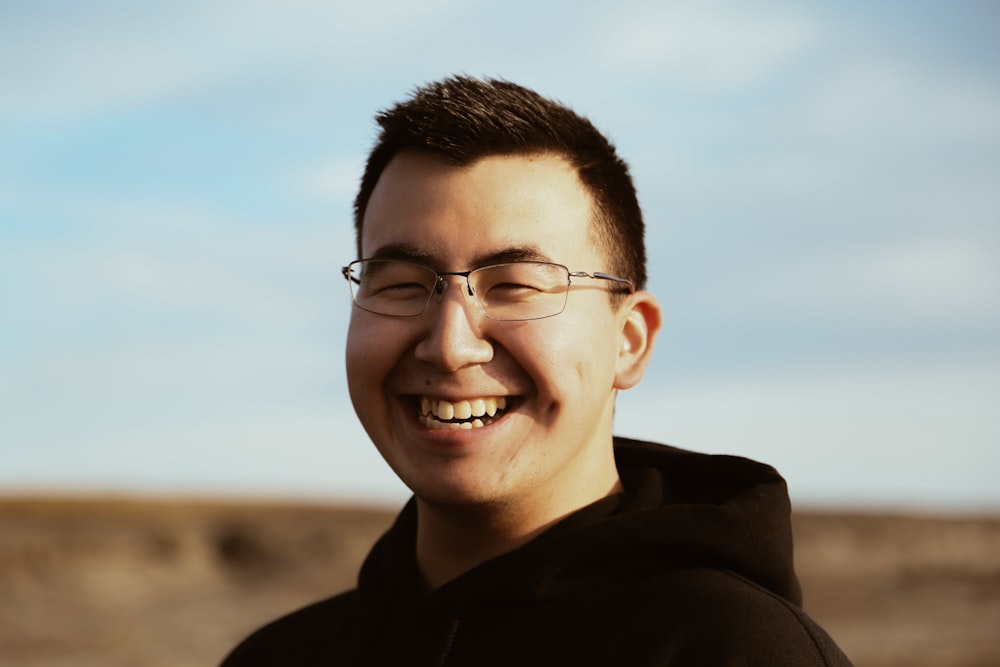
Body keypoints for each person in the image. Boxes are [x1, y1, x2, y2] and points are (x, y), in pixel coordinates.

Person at [221, 75, 852, 666]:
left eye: (516, 286)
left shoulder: (735, 651)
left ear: (629, 341)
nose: (449, 345)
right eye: (403, 284)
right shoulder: (280, 657)